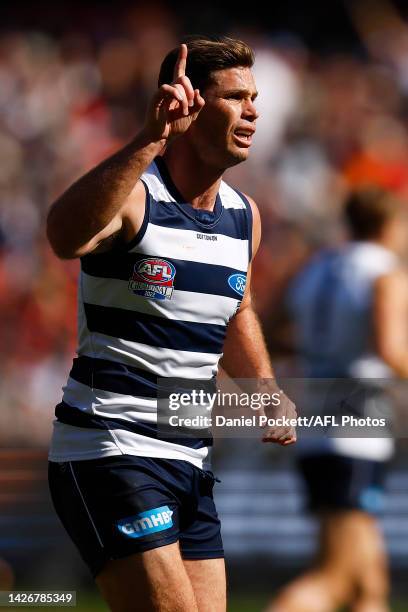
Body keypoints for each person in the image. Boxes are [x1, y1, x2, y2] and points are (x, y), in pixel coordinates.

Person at [46, 36, 297, 612]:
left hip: (190, 460)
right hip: (112, 450)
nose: (254, 111)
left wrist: (263, 389)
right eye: (236, 97)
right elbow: (63, 236)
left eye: (255, 97)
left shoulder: (243, 216)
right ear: (191, 104)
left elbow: (237, 306)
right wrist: (149, 138)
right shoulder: (136, 197)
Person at [267, 187, 408, 612]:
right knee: (335, 578)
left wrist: (321, 356)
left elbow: (271, 332)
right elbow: (389, 347)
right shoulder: (385, 271)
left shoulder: (315, 267)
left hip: (316, 422)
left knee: (369, 587)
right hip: (359, 426)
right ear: (389, 226)